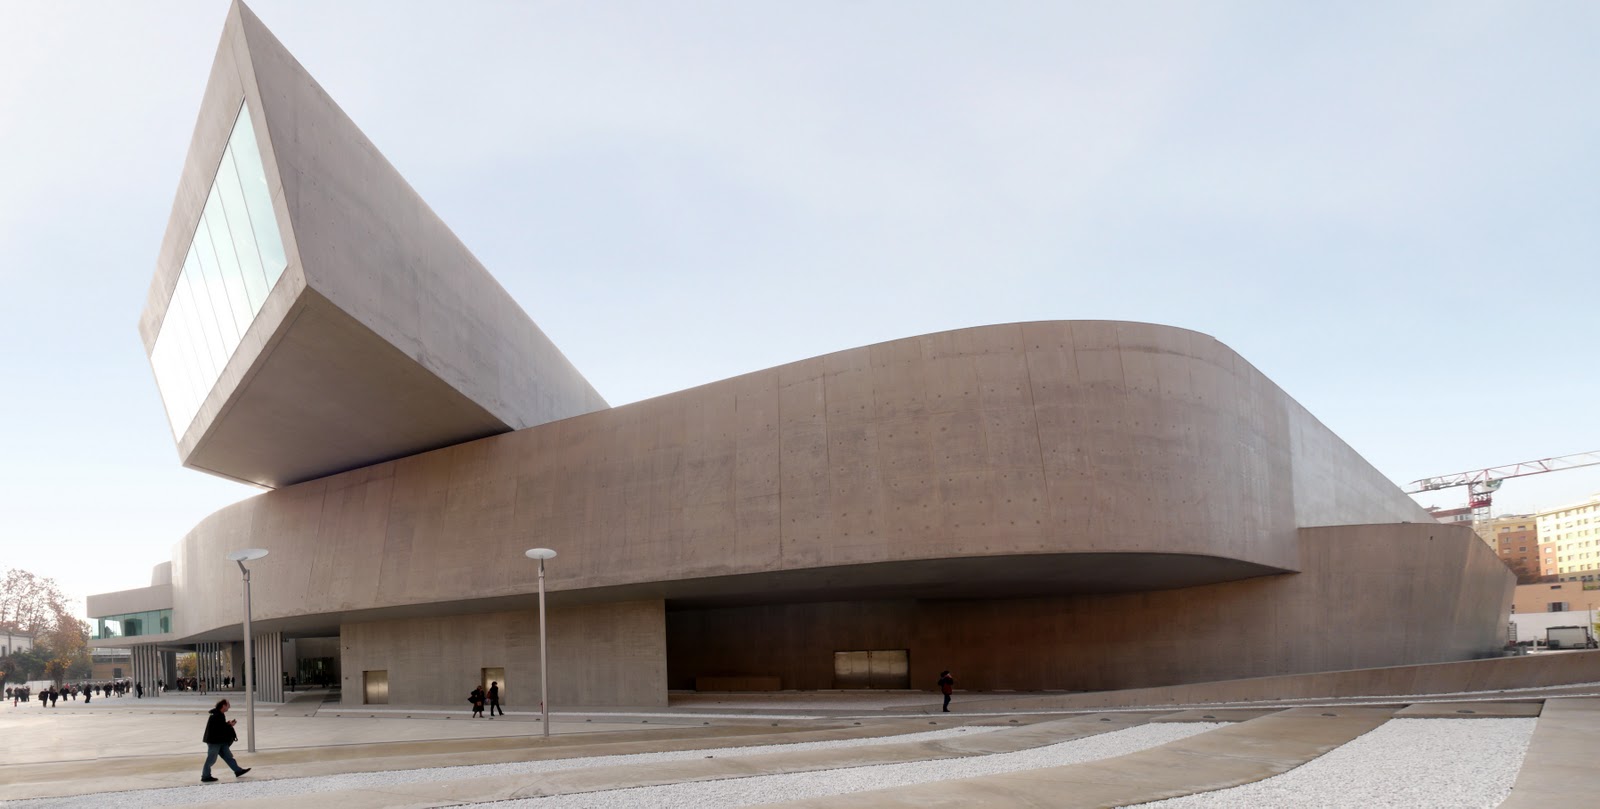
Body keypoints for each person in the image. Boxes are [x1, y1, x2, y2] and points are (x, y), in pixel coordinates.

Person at [200, 699, 251, 782]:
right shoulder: (216, 715)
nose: (229, 707)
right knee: (211, 759)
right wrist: (229, 725)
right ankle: (205, 776)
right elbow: (218, 729)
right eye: (228, 705)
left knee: (228, 756)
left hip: (220, 741)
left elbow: (220, 727)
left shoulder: (219, 714)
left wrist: (227, 724)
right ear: (223, 705)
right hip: (214, 742)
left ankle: (238, 771)